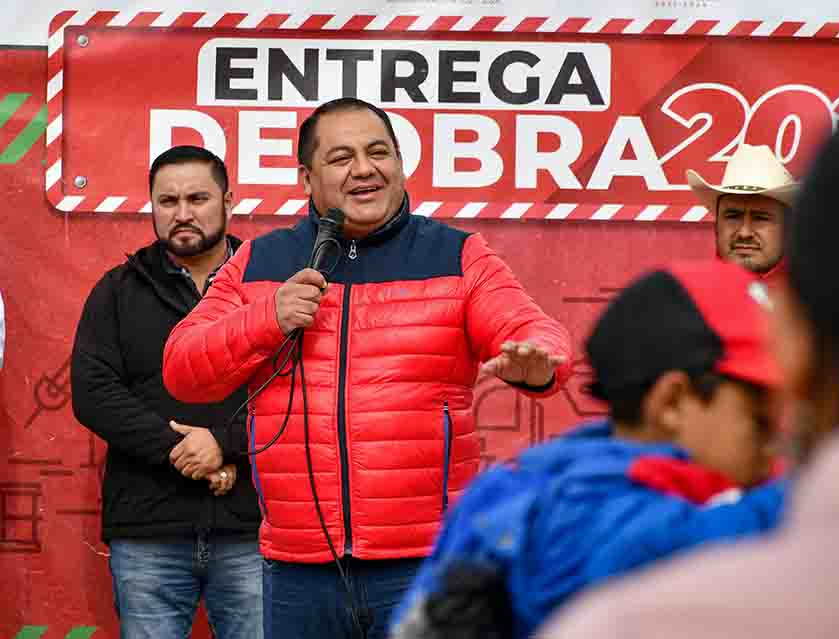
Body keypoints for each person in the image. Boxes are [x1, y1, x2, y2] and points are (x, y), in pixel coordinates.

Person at [161, 97, 573, 639]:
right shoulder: (262, 261)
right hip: (298, 570)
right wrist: (268, 317)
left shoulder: (456, 254)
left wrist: (537, 365)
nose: (364, 168)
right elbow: (182, 369)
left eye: (379, 152)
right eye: (342, 157)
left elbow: (537, 334)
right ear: (307, 178)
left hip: (426, 562)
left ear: (400, 165)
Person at [540, 86, 839, 639]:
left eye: (762, 216)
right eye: (734, 215)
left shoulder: (831, 312)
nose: (745, 229)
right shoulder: (678, 304)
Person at [388, 258, 786, 639]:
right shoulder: (627, 530)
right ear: (672, 402)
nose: (774, 446)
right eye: (760, 420)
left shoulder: (518, 484)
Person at [71, 145, 262, 639]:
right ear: (151, 206)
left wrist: (225, 444)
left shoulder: (269, 287)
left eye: (198, 198)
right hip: (147, 533)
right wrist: (185, 451)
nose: (182, 214)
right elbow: (93, 392)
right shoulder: (118, 290)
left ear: (229, 201)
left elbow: (299, 391)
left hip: (254, 529)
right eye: (167, 201)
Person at [688, 144, 797, 279]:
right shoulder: (687, 297)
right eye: (733, 216)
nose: (744, 233)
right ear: (716, 226)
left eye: (760, 218)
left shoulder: (817, 297)